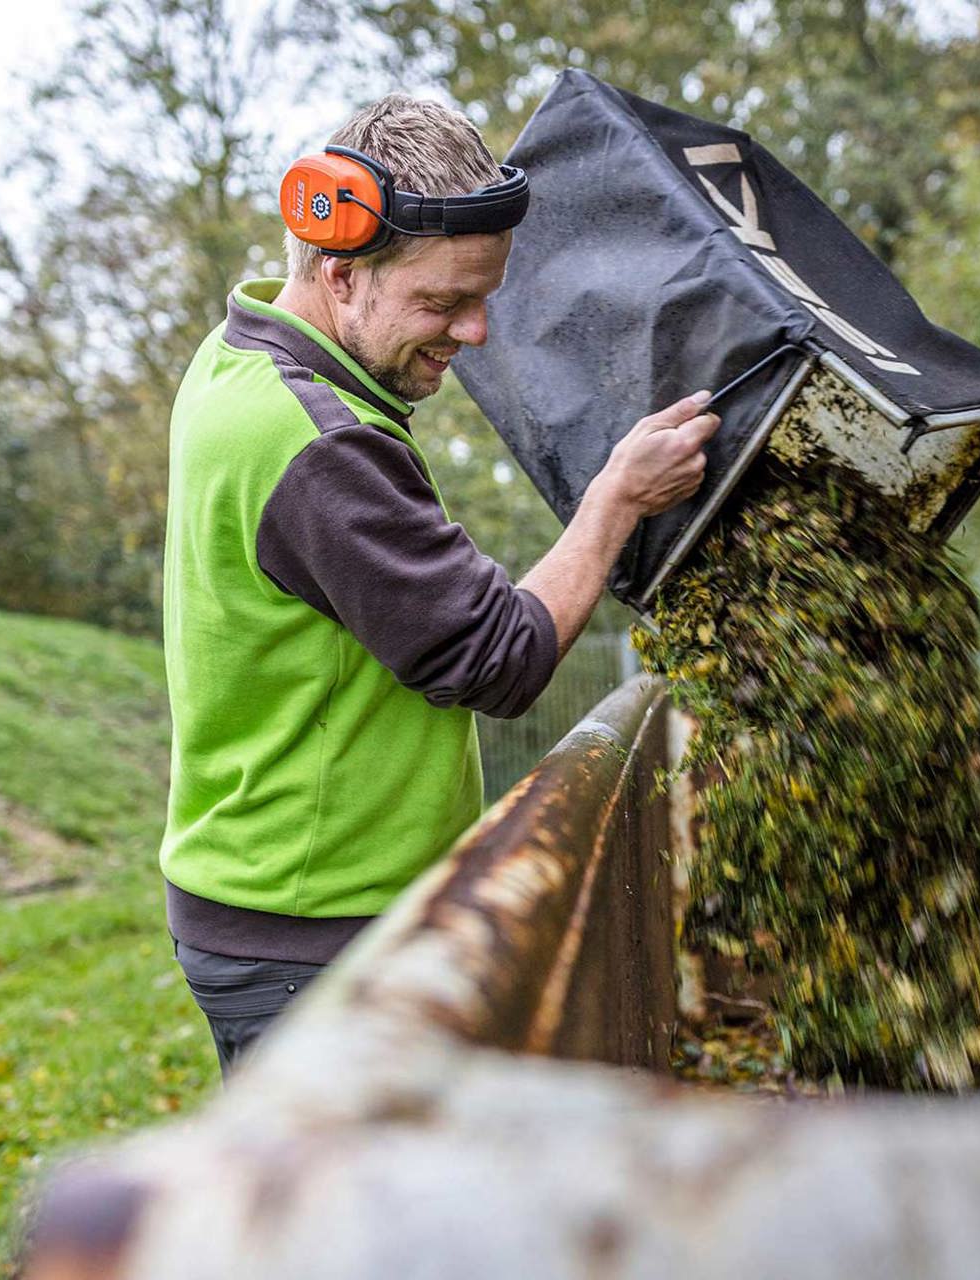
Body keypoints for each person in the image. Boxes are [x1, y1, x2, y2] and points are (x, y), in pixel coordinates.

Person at [158, 93, 717, 1078]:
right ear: (340, 270)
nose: (476, 331)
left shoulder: (236, 358)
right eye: (442, 302)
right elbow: (495, 656)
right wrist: (616, 501)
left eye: (485, 295)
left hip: (271, 898)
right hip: (316, 927)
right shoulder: (321, 442)